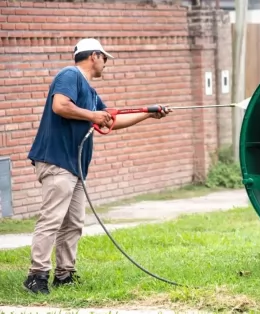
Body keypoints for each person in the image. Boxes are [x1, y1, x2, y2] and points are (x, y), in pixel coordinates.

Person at [24, 38, 172, 294]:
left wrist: (149, 113)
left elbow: (111, 120)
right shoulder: (69, 75)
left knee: (73, 223)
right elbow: (60, 106)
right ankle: (36, 276)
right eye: (105, 58)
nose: (106, 64)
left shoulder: (91, 93)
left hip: (75, 167)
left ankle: (64, 275)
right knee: (52, 220)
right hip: (57, 161)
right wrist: (92, 115)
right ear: (94, 56)